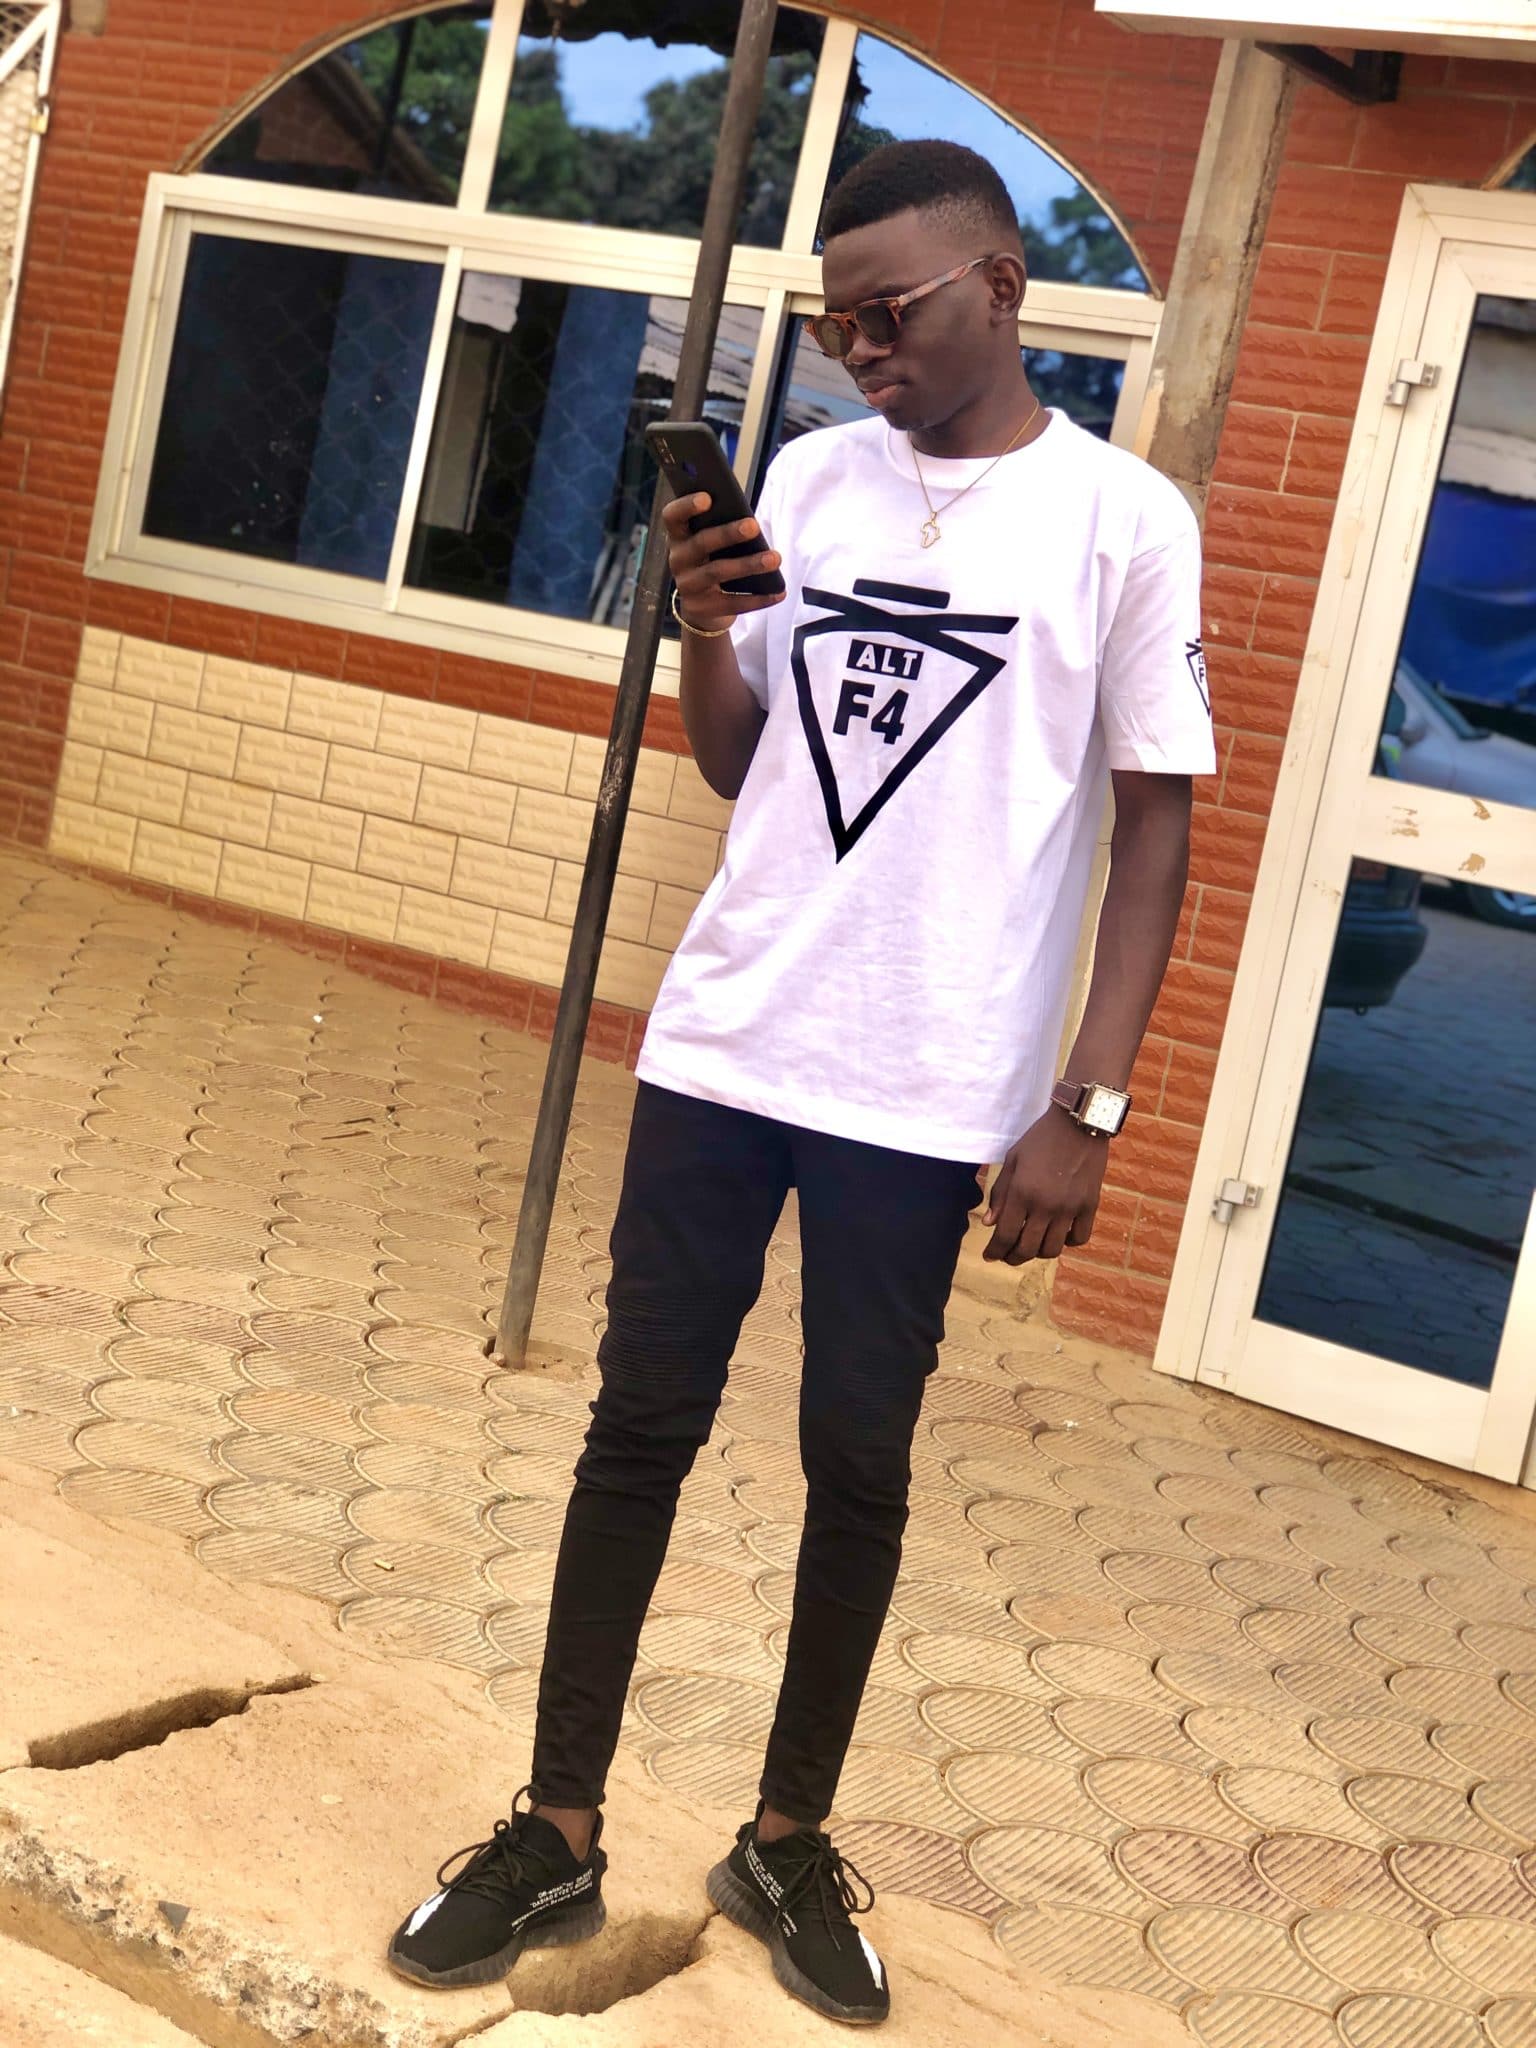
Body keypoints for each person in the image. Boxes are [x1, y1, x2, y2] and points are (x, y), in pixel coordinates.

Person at [389, 137, 1214, 2025]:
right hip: (730, 1039)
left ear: (1003, 285)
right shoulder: (819, 480)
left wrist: (1087, 1106)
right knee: (639, 1424)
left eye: (891, 312)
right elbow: (733, 758)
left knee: (858, 1456)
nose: (863, 350)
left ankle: (783, 1838)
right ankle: (556, 1827)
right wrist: (703, 620)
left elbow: (1158, 829)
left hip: (928, 1090)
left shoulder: (1121, 521)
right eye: (838, 326)